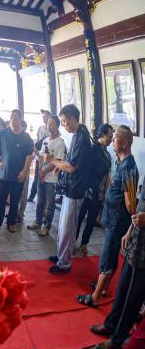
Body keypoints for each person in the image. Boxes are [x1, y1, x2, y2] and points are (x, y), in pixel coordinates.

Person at [78, 126, 137, 307]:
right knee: (110, 255)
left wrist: (131, 227)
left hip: (117, 220)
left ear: (124, 143)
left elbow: (130, 203)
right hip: (112, 218)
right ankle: (102, 288)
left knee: (107, 257)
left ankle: (95, 298)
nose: (112, 140)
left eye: (115, 137)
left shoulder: (128, 166)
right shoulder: (121, 161)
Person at [90, 183, 145, 349]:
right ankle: (110, 325)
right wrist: (129, 231)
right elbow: (140, 207)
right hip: (136, 243)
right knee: (122, 290)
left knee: (133, 298)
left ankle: (117, 339)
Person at [46, 104, 92, 274]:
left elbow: (72, 167)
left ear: (73, 119)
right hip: (71, 187)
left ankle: (64, 263)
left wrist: (53, 161)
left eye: (64, 121)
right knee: (64, 225)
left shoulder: (82, 138)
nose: (63, 125)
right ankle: (61, 255)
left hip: (76, 189)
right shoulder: (77, 134)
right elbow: (71, 161)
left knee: (67, 227)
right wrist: (59, 165)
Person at [0, 109, 34, 232]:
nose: (13, 119)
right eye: (11, 117)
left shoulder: (26, 137)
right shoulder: (3, 133)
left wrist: (25, 171)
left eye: (15, 117)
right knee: (1, 199)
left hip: (19, 175)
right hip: (3, 173)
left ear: (20, 119)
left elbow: (29, 155)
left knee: (15, 200)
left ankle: (11, 222)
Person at [75, 124, 114, 256]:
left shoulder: (107, 155)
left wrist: (105, 194)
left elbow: (107, 176)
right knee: (79, 218)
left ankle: (84, 243)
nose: (111, 139)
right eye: (109, 137)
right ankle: (73, 241)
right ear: (102, 135)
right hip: (86, 192)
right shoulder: (91, 149)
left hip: (99, 194)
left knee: (91, 221)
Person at [27, 115, 65, 237]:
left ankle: (46, 226)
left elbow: (57, 162)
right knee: (40, 202)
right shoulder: (45, 140)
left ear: (57, 126)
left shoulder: (60, 142)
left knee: (50, 204)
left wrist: (44, 172)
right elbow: (42, 157)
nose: (49, 125)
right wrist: (40, 171)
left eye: (52, 123)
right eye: (48, 123)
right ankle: (38, 222)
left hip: (51, 179)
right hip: (42, 176)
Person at [27, 109, 51, 203]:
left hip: (47, 157)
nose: (44, 118)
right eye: (43, 116)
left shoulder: (52, 129)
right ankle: (32, 196)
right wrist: (34, 152)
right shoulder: (40, 128)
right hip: (38, 155)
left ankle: (45, 199)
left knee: (45, 177)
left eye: (46, 116)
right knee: (36, 177)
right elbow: (37, 141)